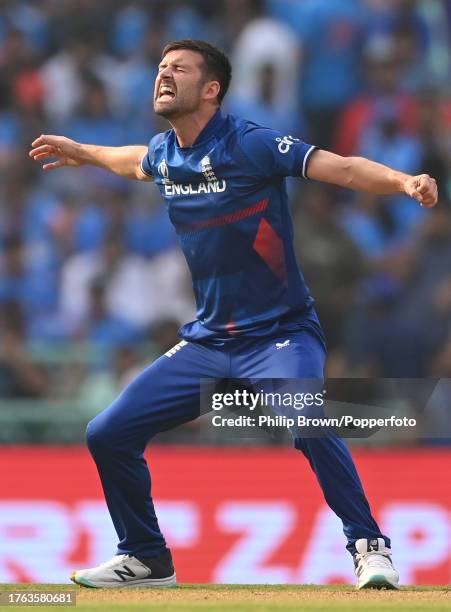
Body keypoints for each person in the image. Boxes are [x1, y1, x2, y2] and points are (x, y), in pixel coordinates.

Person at [29, 39, 437, 590]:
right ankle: (147, 557)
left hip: (279, 334)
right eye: (160, 68)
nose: (163, 76)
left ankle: (369, 547)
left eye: (179, 69)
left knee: (309, 420)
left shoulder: (252, 144)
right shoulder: (165, 152)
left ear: (212, 88)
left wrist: (402, 182)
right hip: (209, 342)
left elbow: (339, 167)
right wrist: (83, 150)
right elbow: (132, 163)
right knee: (107, 433)